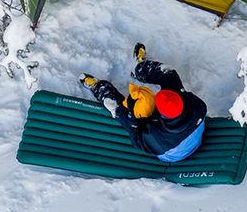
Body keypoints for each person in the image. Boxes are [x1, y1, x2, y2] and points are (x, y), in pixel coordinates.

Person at [79, 43, 207, 163]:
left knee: (123, 114)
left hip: (172, 153)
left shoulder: (156, 138)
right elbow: (179, 92)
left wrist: (134, 120)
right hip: (193, 133)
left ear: (159, 112)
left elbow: (137, 139)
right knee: (169, 74)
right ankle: (141, 68)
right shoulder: (197, 106)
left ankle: (100, 88)